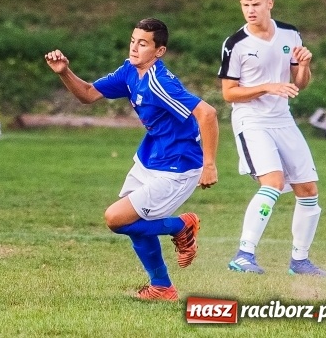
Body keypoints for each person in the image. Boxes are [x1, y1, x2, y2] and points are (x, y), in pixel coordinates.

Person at [45, 18, 218, 302]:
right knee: (134, 221)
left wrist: (209, 164)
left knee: (116, 218)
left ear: (159, 51)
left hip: (178, 165)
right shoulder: (129, 72)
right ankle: (162, 287)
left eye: (143, 43)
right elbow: (88, 94)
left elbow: (207, 114)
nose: (135, 48)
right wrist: (64, 72)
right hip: (150, 158)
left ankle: (181, 226)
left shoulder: (159, 82)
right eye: (133, 41)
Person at [219, 0, 326, 276]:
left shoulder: (290, 35)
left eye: (255, 3)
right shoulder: (236, 44)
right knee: (274, 183)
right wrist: (267, 87)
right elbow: (229, 93)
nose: (250, 10)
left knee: (308, 189)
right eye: (244, 4)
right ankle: (244, 254)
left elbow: (299, 83)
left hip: (282, 118)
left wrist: (304, 66)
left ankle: (300, 261)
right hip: (251, 120)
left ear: (270, 3)